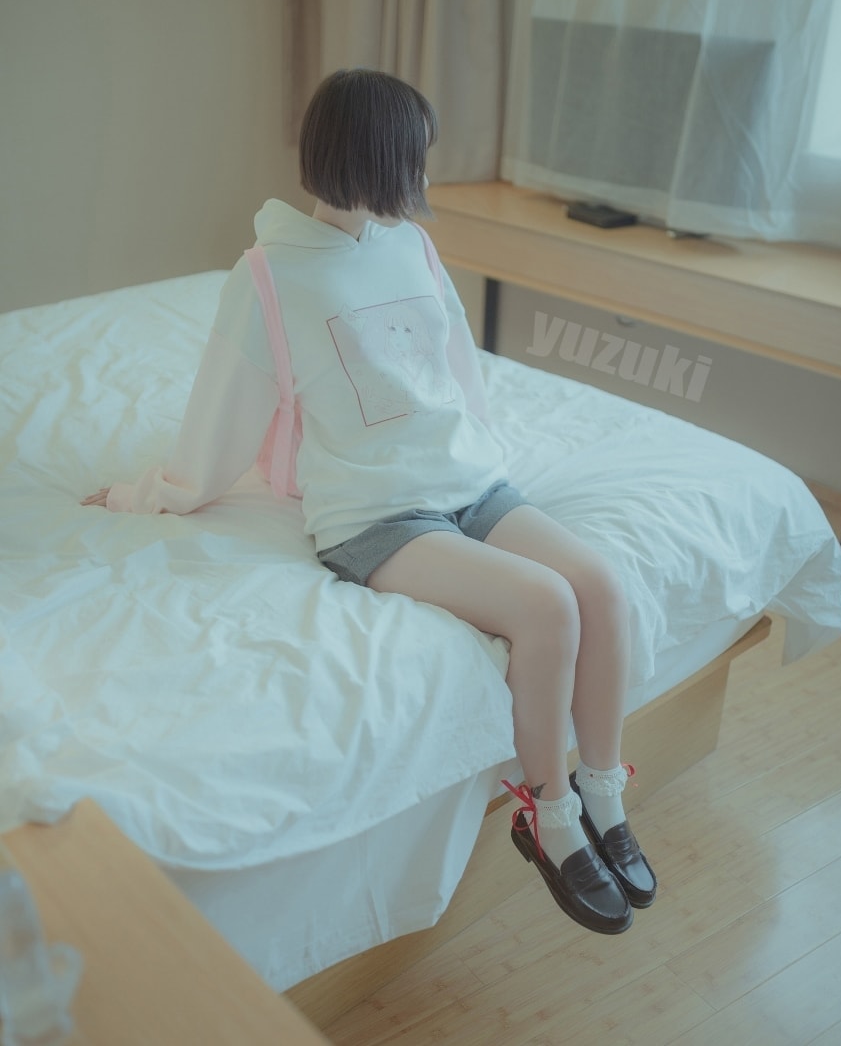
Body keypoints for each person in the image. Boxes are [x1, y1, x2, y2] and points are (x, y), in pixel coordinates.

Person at [83, 68, 656, 934]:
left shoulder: (410, 246)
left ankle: (603, 792)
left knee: (601, 586)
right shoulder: (270, 274)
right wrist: (151, 495)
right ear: (381, 158)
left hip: (468, 482)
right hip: (378, 517)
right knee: (546, 606)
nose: (425, 171)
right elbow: (222, 415)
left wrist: (483, 453)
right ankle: (550, 813)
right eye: (417, 155)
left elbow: (453, 368)